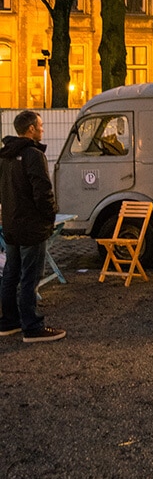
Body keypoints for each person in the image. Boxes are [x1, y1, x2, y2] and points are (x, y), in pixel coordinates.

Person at [0, 110, 66, 342]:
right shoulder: (33, 155)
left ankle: (9, 322)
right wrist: (50, 216)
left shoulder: (5, 156)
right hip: (31, 227)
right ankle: (32, 326)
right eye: (40, 125)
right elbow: (42, 191)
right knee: (30, 277)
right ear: (30, 129)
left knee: (10, 274)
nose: (43, 129)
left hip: (10, 226)